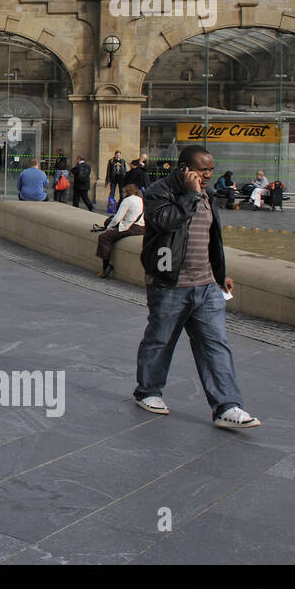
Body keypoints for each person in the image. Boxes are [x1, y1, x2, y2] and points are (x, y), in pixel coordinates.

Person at [133, 144, 260, 429]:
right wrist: (190, 195)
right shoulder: (160, 191)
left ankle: (227, 406)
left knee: (216, 346)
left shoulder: (209, 194)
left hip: (206, 286)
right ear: (184, 169)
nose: (208, 175)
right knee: (160, 340)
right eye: (203, 170)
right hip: (169, 283)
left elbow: (211, 238)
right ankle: (148, 391)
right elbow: (165, 222)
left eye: (211, 170)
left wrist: (220, 274)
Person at [95, 176, 145, 278]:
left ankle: (106, 267)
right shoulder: (141, 200)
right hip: (142, 228)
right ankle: (106, 268)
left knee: (104, 238)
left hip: (131, 227)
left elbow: (117, 218)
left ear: (127, 191)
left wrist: (109, 227)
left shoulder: (127, 200)